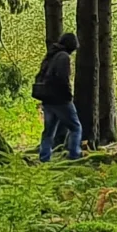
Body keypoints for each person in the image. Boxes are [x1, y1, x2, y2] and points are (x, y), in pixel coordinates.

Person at [32, 31, 84, 160]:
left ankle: (44, 157)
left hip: (48, 98)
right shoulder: (63, 57)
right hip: (60, 99)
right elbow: (62, 79)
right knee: (75, 127)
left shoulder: (51, 55)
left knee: (49, 131)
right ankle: (74, 154)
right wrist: (68, 95)